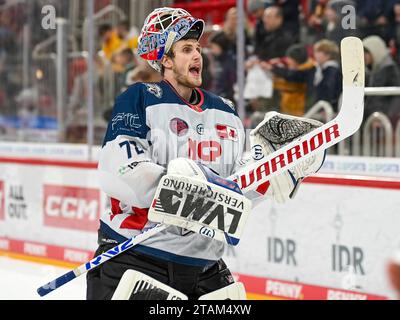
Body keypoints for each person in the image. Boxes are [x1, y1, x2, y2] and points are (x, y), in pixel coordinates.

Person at [87, 7, 325, 300]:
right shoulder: (138, 98)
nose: (198, 55)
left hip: (204, 265)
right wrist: (178, 186)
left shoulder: (224, 110)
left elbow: (235, 186)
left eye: (198, 48)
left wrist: (270, 174)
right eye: (186, 49)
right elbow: (120, 170)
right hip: (137, 254)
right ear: (165, 59)